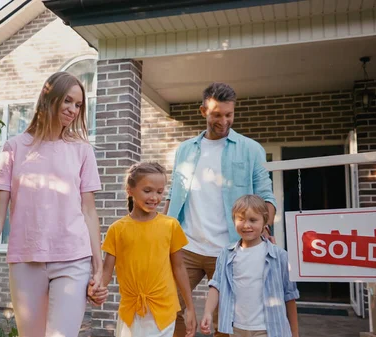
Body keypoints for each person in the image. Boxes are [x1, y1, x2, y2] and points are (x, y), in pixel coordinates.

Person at [0, 72, 107, 337]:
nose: (73, 110)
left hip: (73, 259)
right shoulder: (14, 148)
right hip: (25, 260)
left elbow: (89, 211)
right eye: (67, 101)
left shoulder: (82, 150)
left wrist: (98, 269)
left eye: (78, 105)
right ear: (48, 98)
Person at [164, 82, 277, 337]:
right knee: (170, 311)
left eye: (229, 114)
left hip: (230, 249)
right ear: (203, 111)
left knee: (225, 322)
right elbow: (174, 193)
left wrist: (264, 227)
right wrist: (161, 230)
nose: (224, 121)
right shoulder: (185, 150)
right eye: (217, 114)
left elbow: (266, 196)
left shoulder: (251, 149)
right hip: (185, 246)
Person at [100, 162, 197, 337]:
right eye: (148, 191)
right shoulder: (117, 229)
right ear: (130, 190)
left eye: (160, 192)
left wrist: (189, 308)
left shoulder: (170, 225)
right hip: (131, 310)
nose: (155, 197)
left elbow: (179, 267)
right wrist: (98, 289)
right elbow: (107, 270)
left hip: (164, 310)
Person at [200, 195, 299, 337]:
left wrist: (294, 333)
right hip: (236, 328)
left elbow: (290, 296)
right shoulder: (226, 254)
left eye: (253, 220)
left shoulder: (279, 256)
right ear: (234, 221)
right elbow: (216, 285)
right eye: (241, 219)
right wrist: (208, 313)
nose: (246, 225)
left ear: (265, 222)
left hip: (269, 329)